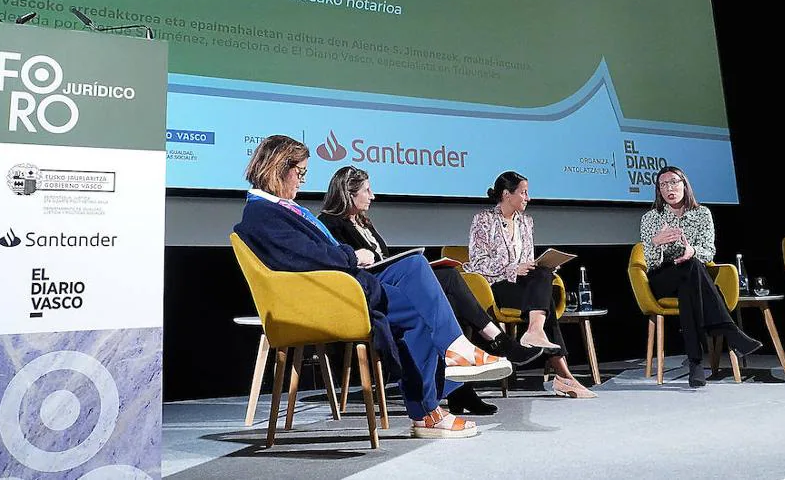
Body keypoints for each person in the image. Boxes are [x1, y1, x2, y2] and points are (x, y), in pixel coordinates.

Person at [233, 135, 513, 439]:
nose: (301, 180)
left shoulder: (277, 208)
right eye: (300, 172)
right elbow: (303, 257)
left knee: (414, 265)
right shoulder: (262, 213)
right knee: (415, 315)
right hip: (333, 293)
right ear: (279, 168)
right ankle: (430, 406)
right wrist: (352, 255)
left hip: (342, 283)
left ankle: (453, 356)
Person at [319, 165, 543, 416]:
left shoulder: (363, 223)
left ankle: (462, 384)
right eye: (367, 190)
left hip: (390, 281)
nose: (372, 196)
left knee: (447, 283)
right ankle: (493, 345)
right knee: (439, 287)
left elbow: (383, 257)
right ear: (349, 193)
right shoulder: (329, 224)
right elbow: (339, 266)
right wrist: (358, 257)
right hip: (368, 293)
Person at [467, 171, 596, 398]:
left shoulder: (527, 222)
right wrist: (512, 269)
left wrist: (539, 266)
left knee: (543, 273)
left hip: (523, 286)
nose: (528, 198)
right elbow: (477, 262)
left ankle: (537, 336)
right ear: (507, 194)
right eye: (524, 192)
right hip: (496, 286)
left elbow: (528, 259)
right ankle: (563, 375)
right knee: (544, 302)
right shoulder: (483, 219)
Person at [639, 166, 761, 387]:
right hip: (663, 276)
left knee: (691, 279)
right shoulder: (651, 218)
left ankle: (695, 363)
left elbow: (708, 251)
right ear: (658, 190)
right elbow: (650, 261)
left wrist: (692, 251)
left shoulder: (702, 213)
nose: (669, 188)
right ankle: (729, 331)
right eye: (663, 185)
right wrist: (657, 243)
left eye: (674, 182)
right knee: (690, 272)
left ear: (685, 185)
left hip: (692, 274)